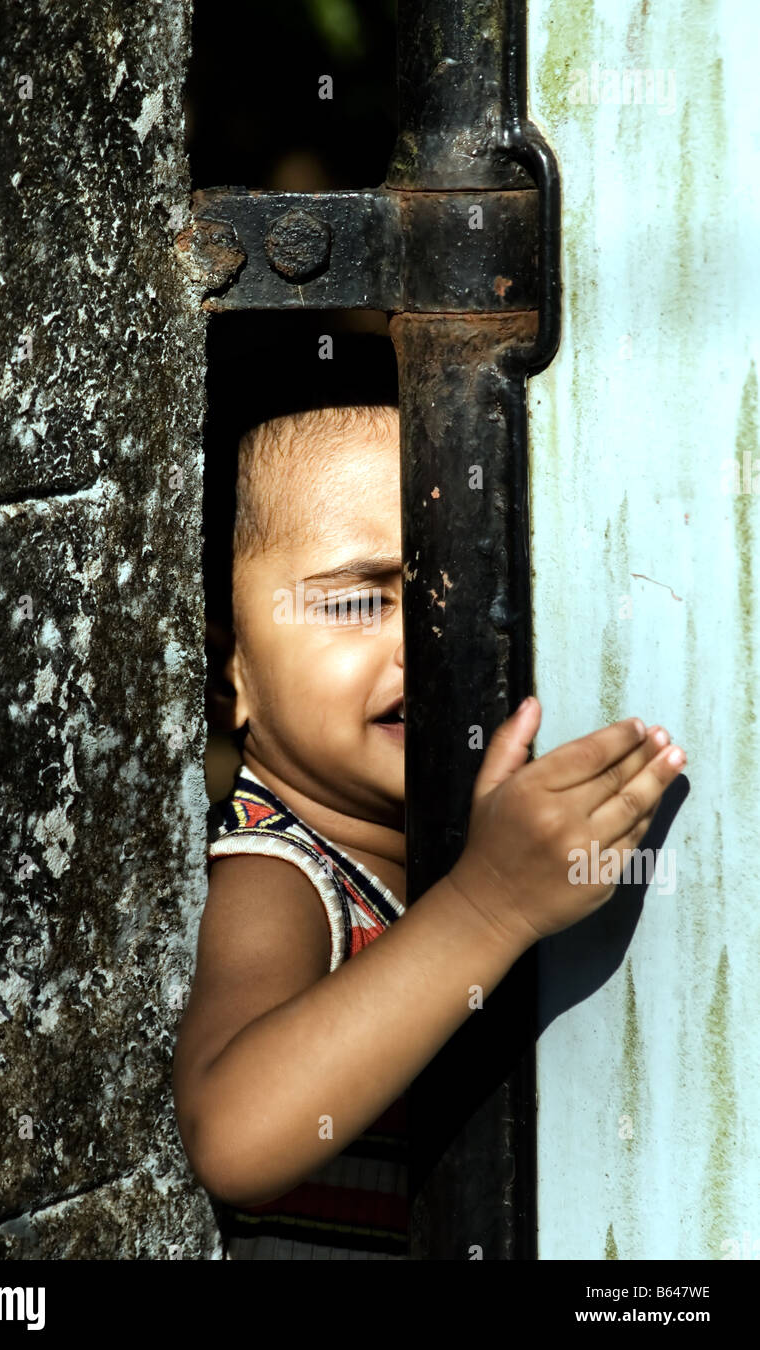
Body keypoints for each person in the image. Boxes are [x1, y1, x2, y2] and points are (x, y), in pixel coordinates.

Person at [172, 328, 686, 1260]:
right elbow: (235, 1136)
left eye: (454, 586)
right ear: (228, 671)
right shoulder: (277, 868)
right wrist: (489, 907)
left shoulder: (417, 845)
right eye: (358, 600)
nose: (423, 642)